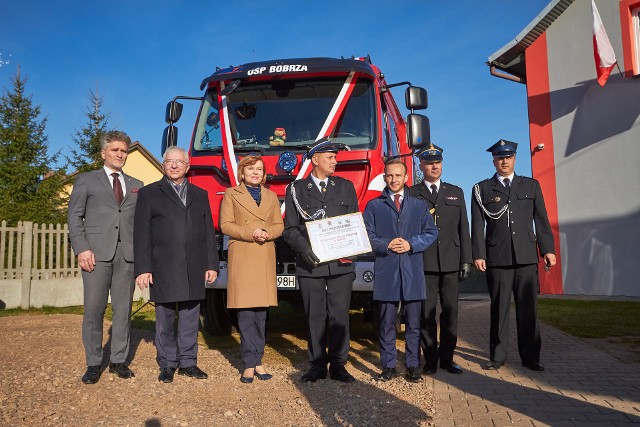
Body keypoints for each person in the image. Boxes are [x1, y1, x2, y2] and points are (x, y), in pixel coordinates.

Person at [133, 146, 219, 383]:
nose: (174, 165)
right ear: (163, 165)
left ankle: (188, 363)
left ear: (187, 166)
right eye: (169, 161)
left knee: (191, 318)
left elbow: (208, 233)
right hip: (163, 266)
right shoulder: (149, 193)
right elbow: (141, 234)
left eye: (179, 162)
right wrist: (143, 268)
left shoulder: (200, 194)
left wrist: (212, 264)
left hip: (194, 265)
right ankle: (168, 363)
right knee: (165, 319)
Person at [471, 139, 556, 371]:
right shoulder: (481, 189)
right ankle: (497, 357)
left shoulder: (531, 186)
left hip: (526, 257)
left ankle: (531, 357)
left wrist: (547, 249)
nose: (504, 161)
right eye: (500, 157)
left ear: (515, 159)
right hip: (497, 257)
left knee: (528, 309)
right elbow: (477, 226)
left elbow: (541, 219)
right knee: (499, 309)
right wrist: (478, 254)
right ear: (494, 160)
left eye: (508, 157)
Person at [68, 130, 143, 384]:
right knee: (93, 311)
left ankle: (119, 361)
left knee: (123, 311)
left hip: (127, 256)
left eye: (124, 151)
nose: (120, 154)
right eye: (115, 150)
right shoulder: (87, 180)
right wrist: (82, 248)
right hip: (95, 255)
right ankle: (93, 363)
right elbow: (74, 217)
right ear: (104, 153)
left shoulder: (136, 185)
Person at [283, 138, 359, 383]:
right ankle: (317, 364)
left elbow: (354, 224)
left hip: (340, 263)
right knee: (315, 315)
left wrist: (352, 249)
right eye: (330, 157)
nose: (335, 161)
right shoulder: (295, 189)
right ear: (315, 160)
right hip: (310, 262)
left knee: (339, 315)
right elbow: (290, 229)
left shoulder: (346, 187)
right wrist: (303, 249)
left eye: (335, 157)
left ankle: (338, 364)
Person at [364, 159, 438, 383]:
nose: (394, 180)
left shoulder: (418, 206)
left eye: (398, 176)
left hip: (412, 270)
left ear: (406, 178)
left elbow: (431, 232)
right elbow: (367, 234)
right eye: (389, 176)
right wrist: (386, 244)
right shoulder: (374, 206)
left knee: (414, 323)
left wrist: (411, 244)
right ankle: (388, 365)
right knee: (386, 323)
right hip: (386, 270)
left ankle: (413, 365)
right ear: (384, 177)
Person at [220, 155, 284, 383]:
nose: (255, 172)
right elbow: (225, 224)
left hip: (264, 253)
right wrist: (251, 233)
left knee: (261, 314)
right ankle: (249, 362)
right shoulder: (231, 194)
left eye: (259, 169)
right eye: (251, 169)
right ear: (242, 172)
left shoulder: (271, 196)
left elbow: (279, 225)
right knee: (245, 313)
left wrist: (268, 233)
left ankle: (258, 359)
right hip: (244, 254)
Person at [410, 144, 472, 375]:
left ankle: (448, 358)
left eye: (438, 162)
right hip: (423, 261)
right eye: (429, 162)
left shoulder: (455, 191)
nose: (435, 166)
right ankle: (431, 359)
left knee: (450, 312)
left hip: (450, 261)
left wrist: (466, 259)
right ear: (421, 165)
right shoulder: (412, 193)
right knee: (427, 312)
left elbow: (463, 228)